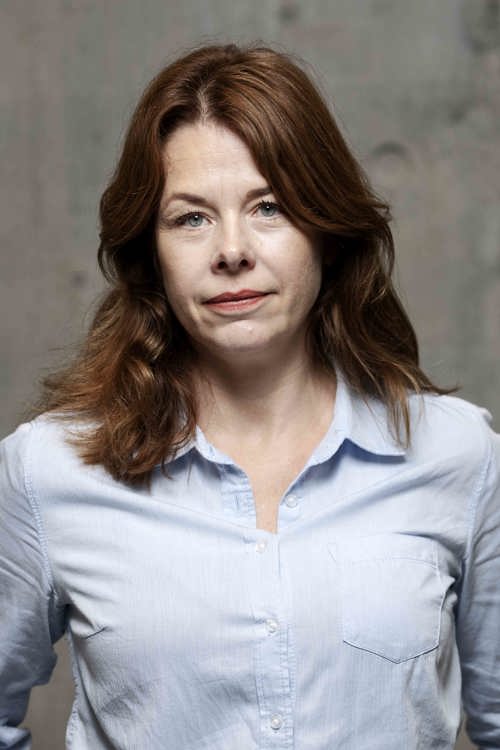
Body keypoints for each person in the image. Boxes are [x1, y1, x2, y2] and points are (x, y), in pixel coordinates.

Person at [0, 42, 499, 750]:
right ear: (151, 252)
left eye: (269, 207)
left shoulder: (460, 457)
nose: (231, 250)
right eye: (191, 218)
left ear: (326, 231)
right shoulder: (48, 470)